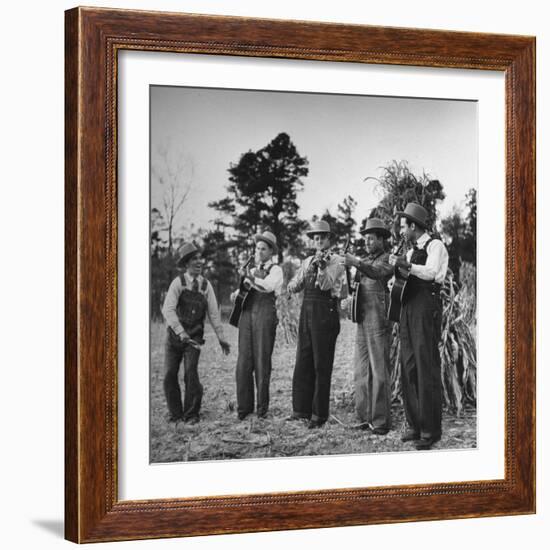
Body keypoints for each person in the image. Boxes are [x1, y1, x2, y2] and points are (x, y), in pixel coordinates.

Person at [389, 203, 449, 450]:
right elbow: (401, 280)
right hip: (408, 308)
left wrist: (407, 267)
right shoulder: (411, 249)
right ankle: (414, 425)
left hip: (426, 307)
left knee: (426, 366)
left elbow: (433, 273)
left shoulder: (436, 246)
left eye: (404, 226)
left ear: (413, 226)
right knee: (408, 366)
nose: (402, 231)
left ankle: (430, 430)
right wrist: (395, 277)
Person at [161, 242, 230, 424]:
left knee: (190, 373)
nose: (199, 262)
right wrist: (180, 332)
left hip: (195, 338)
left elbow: (214, 314)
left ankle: (191, 413)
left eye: (200, 258)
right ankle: (175, 414)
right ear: (186, 264)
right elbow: (167, 310)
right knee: (169, 374)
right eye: (194, 260)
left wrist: (221, 338)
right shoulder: (178, 283)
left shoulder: (206, 286)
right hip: (174, 338)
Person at [287, 220, 345, 429]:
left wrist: (321, 268)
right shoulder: (307, 260)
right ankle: (300, 409)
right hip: (307, 313)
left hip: (325, 313)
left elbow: (327, 284)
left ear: (329, 239)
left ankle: (319, 414)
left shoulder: (337, 260)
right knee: (303, 359)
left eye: (323, 237)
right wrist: (297, 279)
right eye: (316, 238)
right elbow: (294, 286)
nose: (319, 241)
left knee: (322, 364)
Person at [342, 218, 394, 435]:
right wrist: (348, 298)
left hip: (378, 319)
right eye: (365, 239)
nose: (367, 242)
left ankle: (380, 421)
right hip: (363, 318)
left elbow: (377, 272)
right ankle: (364, 416)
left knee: (379, 369)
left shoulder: (388, 259)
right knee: (361, 369)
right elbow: (355, 286)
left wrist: (355, 263)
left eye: (371, 239)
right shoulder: (364, 261)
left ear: (382, 239)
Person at [231, 231, 283, 420]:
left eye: (263, 249)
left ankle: (262, 409)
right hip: (247, 317)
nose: (259, 252)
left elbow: (267, 287)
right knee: (243, 362)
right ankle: (244, 409)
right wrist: (236, 293)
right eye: (257, 248)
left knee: (262, 362)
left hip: (265, 316)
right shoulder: (252, 271)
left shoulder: (276, 270)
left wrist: (250, 279)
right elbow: (244, 290)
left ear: (271, 251)